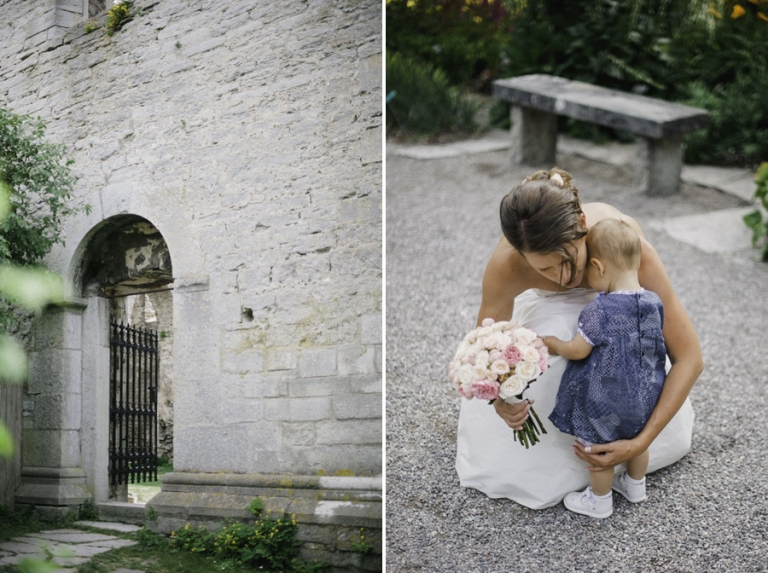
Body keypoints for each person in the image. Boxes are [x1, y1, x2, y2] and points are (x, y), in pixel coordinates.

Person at [455, 168, 702, 509]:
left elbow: (690, 357)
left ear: (583, 222)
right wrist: (500, 398)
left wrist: (639, 443)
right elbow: (485, 345)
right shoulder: (507, 265)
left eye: (567, 260)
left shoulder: (626, 245)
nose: (563, 277)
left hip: (619, 311)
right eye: (544, 269)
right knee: (544, 353)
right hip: (552, 318)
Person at [543, 218, 666, 518]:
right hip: (645, 396)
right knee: (636, 442)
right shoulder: (653, 301)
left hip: (605, 398)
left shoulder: (599, 309)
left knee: (597, 447)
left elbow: (577, 350)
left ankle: (599, 501)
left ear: (598, 267)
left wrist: (555, 343)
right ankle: (636, 485)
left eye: (587, 271)